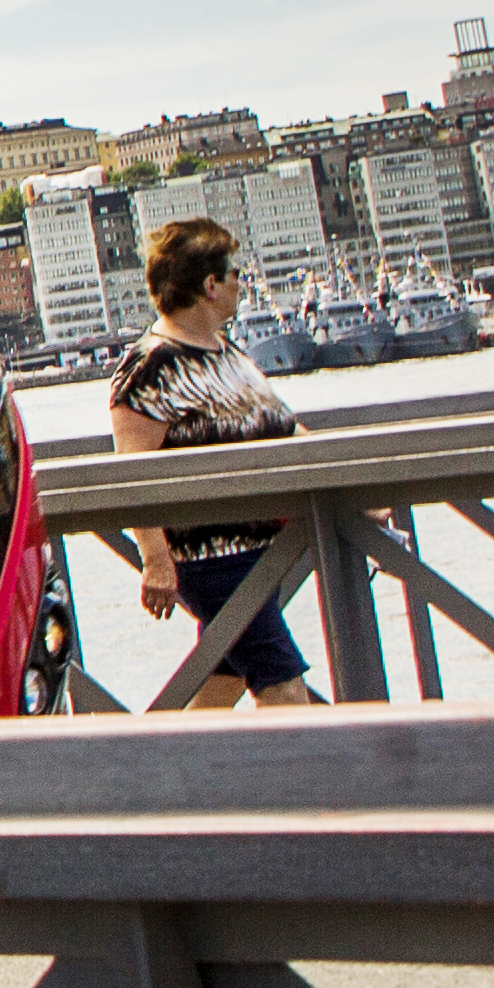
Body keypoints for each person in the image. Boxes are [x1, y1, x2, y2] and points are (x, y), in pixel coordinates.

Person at [112, 217, 318, 708]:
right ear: (210, 285)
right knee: (284, 687)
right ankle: (316, 786)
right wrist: (155, 559)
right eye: (235, 274)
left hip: (259, 551)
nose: (241, 284)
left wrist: (353, 486)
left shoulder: (227, 354)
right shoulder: (150, 366)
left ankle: (173, 782)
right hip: (209, 558)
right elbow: (129, 474)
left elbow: (286, 429)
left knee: (220, 684)